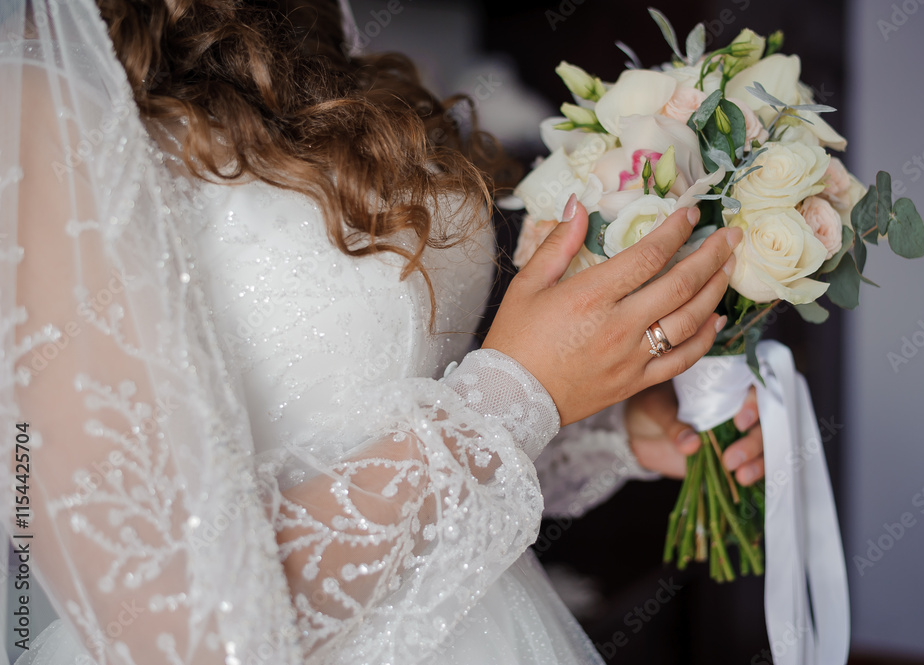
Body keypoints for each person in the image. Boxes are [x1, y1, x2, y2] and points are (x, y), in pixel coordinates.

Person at [0, 1, 762, 663]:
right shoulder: (36, 86)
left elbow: (372, 404)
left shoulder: (313, 18)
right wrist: (513, 395)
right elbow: (182, 628)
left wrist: (601, 421)